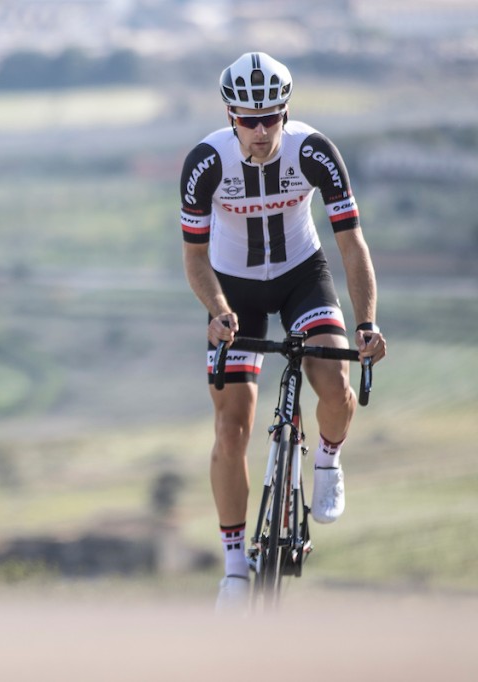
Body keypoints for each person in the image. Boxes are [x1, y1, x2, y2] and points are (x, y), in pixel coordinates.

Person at [179, 52, 387, 611]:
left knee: (335, 384)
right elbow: (195, 260)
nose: (262, 129)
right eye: (250, 119)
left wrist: (366, 323)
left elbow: (351, 244)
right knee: (230, 428)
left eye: (272, 117)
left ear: (286, 112)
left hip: (302, 275)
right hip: (233, 288)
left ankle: (327, 458)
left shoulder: (314, 151)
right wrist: (219, 312)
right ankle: (234, 569)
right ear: (230, 117)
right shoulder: (206, 163)